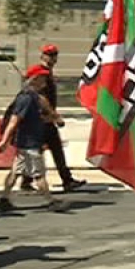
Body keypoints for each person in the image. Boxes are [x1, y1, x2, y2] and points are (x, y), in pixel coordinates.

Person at [0, 65, 70, 212]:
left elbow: (37, 117)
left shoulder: (34, 96)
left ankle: (4, 199)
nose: (45, 80)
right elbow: (14, 121)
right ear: (34, 79)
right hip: (29, 145)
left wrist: (53, 118)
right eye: (42, 77)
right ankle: (50, 201)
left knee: (15, 172)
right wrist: (4, 141)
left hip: (26, 143)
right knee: (39, 174)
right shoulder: (26, 99)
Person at [33, 44, 86, 193]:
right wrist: (55, 116)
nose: (52, 58)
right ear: (43, 56)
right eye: (49, 55)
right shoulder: (41, 73)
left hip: (46, 120)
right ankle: (27, 180)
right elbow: (41, 97)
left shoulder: (47, 73)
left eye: (54, 55)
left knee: (54, 149)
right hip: (41, 120)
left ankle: (67, 180)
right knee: (35, 152)